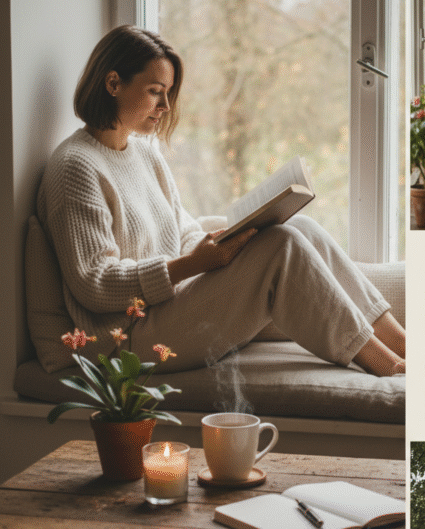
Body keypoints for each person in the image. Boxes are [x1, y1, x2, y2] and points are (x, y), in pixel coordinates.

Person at [36, 25, 405, 377]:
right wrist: (190, 265)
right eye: (154, 90)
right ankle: (387, 365)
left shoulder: (143, 154)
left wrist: (221, 245)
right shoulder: (74, 167)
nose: (165, 105)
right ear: (113, 83)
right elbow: (95, 283)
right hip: (130, 337)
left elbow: (179, 228)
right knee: (282, 246)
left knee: (300, 227)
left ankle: (405, 346)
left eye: (168, 92)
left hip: (172, 306)